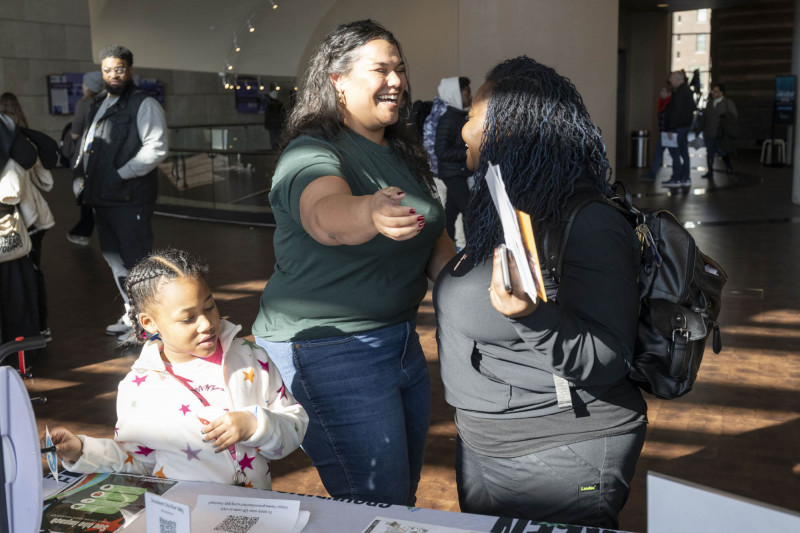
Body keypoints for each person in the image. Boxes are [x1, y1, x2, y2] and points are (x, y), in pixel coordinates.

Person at [434, 56, 647, 529]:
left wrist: (530, 316)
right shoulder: (505, 206)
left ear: (508, 128)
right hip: (488, 443)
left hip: (558, 449)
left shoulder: (589, 221)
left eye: (472, 116)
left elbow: (608, 355)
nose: (462, 127)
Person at [252, 19, 456, 506]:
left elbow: (432, 238)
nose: (397, 81)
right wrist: (370, 210)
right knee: (377, 502)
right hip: (330, 348)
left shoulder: (400, 152)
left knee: (397, 494)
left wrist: (474, 285)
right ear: (337, 80)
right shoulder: (311, 151)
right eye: (381, 69)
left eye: (400, 70)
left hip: (399, 339)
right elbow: (326, 216)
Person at [46, 249, 308, 489]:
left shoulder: (252, 358)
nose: (206, 323)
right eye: (188, 318)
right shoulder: (138, 390)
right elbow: (137, 464)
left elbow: (295, 425)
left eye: (209, 307)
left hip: (256, 512)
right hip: (187, 517)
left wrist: (255, 425)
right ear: (149, 322)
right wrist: (82, 451)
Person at [74, 45, 168, 340]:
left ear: (129, 69)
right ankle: (134, 314)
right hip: (103, 197)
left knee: (137, 261)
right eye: (107, 70)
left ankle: (152, 323)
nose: (113, 75)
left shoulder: (144, 103)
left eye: (119, 69)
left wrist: (120, 175)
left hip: (129, 197)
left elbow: (156, 147)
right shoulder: (99, 102)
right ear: (100, 72)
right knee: (116, 261)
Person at [0, 95, 56, 345]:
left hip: (15, 220)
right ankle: (25, 345)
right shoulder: (7, 127)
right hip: (14, 220)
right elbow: (29, 156)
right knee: (20, 283)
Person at [65, 71, 104, 246]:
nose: (82, 86)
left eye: (84, 83)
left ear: (88, 86)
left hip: (85, 157)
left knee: (84, 193)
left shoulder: (84, 104)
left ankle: (82, 232)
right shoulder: (107, 102)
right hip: (103, 156)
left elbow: (75, 133)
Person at [434, 76, 472, 246]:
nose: (470, 97)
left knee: (450, 213)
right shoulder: (448, 119)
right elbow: (441, 150)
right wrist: (466, 153)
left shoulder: (458, 117)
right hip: (452, 173)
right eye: (467, 92)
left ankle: (444, 247)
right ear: (456, 94)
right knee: (469, 210)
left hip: (458, 172)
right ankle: (472, 249)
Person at [662, 70, 695, 188]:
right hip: (684, 126)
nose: (670, 80)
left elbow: (676, 111)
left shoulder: (680, 92)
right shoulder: (687, 91)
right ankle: (685, 178)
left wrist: (671, 128)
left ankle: (677, 178)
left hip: (678, 128)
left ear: (678, 79)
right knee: (684, 152)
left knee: (675, 152)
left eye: (672, 77)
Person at [701, 83, 738, 179]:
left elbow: (733, 117)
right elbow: (705, 117)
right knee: (710, 151)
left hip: (720, 133)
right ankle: (710, 171)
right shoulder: (710, 103)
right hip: (709, 132)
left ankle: (728, 164)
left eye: (716, 91)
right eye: (713, 91)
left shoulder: (727, 103)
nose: (713, 93)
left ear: (722, 92)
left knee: (721, 150)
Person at [642, 83, 672, 181]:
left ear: (668, 93)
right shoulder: (661, 103)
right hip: (663, 133)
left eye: (663, 91)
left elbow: (671, 119)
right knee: (658, 153)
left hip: (668, 133)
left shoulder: (670, 103)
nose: (661, 93)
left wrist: (670, 131)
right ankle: (652, 174)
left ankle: (680, 176)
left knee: (674, 155)